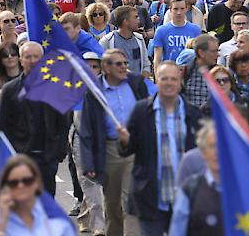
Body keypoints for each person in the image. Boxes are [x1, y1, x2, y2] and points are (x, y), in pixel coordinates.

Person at [117, 62, 202, 235]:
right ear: (157, 81)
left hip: (185, 200)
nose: (169, 83)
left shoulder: (193, 113)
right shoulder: (141, 111)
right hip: (151, 198)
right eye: (164, 79)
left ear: (180, 82)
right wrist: (125, 141)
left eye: (173, 79)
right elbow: (127, 150)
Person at [80, 48, 149, 236]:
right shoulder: (94, 91)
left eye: (125, 63)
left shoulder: (136, 84)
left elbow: (148, 114)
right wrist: (88, 163)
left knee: (131, 201)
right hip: (109, 150)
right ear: (106, 67)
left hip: (135, 149)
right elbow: (87, 130)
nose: (124, 67)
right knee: (112, 204)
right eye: (118, 64)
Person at [0, 42, 70, 196]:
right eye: (28, 57)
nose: (33, 60)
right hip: (21, 155)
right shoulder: (10, 90)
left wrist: (60, 150)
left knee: (46, 202)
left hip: (48, 156)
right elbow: (2, 126)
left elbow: (63, 122)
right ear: (21, 60)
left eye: (37, 57)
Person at [0, 154, 76, 236]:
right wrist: (2, 223)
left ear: (36, 183)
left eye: (27, 181)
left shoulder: (57, 222)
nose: (21, 186)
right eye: (14, 183)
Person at [168, 121, 222, 235]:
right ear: (203, 152)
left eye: (221, 146)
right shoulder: (190, 189)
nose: (217, 152)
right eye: (212, 146)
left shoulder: (242, 188)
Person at [99, 6, 150, 78]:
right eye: (135, 17)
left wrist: (141, 81)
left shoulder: (140, 39)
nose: (139, 20)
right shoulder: (107, 41)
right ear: (125, 21)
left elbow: (146, 64)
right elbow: (102, 68)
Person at [154, 0, 201, 64]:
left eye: (182, 9)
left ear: (186, 9)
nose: (179, 12)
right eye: (175, 9)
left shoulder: (196, 30)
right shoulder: (161, 31)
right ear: (170, 10)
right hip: (169, 71)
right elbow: (157, 59)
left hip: (189, 71)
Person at [183, 35, 220, 108]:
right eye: (213, 51)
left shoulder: (219, 73)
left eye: (217, 51)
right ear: (201, 53)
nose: (218, 55)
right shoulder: (185, 72)